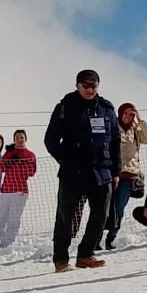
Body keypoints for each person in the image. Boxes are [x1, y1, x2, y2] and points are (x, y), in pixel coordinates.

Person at [44, 68, 120, 272]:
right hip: (73, 172)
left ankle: (86, 254)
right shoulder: (65, 107)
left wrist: (116, 171)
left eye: (93, 85)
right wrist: (66, 160)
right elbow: (50, 140)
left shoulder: (106, 108)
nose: (89, 89)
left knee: (101, 215)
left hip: (101, 171)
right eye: (85, 86)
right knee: (65, 216)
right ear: (77, 86)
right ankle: (61, 260)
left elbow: (115, 141)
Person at [104, 103, 147, 249]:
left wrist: (140, 121)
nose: (128, 117)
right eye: (125, 113)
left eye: (131, 114)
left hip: (129, 174)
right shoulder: (112, 127)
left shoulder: (136, 130)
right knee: (105, 206)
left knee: (119, 207)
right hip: (111, 173)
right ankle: (97, 238)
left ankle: (111, 238)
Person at [0, 129, 37, 248]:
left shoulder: (30, 154)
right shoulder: (9, 153)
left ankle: (7, 244)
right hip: (6, 189)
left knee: (14, 218)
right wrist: (10, 162)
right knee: (1, 217)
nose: (19, 139)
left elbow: (32, 172)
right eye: (17, 137)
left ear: (25, 139)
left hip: (20, 190)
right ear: (14, 139)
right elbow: (0, 168)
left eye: (22, 137)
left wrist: (21, 163)